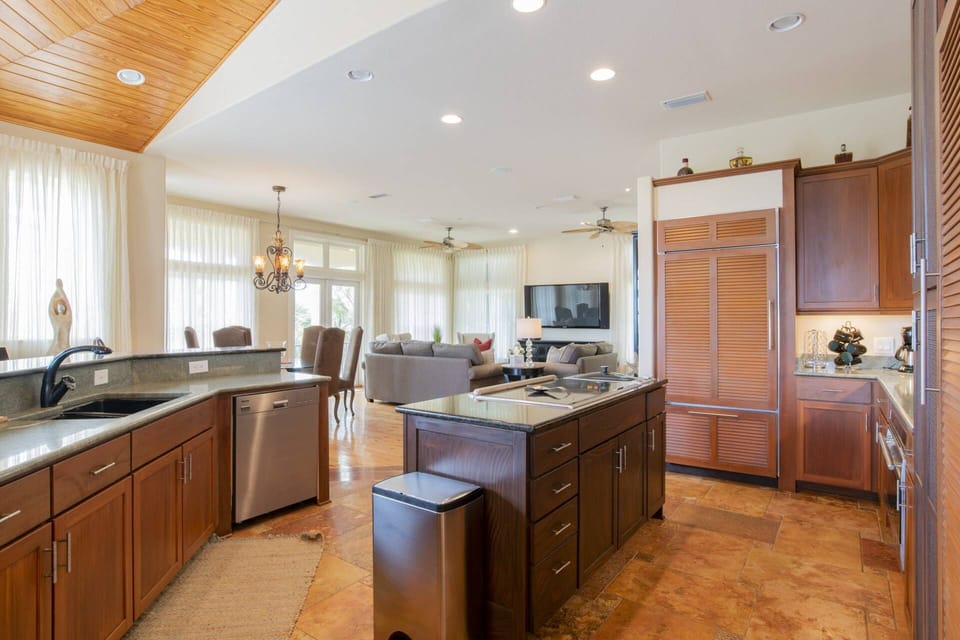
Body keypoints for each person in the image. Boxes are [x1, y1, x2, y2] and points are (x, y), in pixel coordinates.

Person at [47, 278, 72, 355]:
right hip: (56, 349)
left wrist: (60, 289)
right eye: (59, 306)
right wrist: (58, 289)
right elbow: (50, 309)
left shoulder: (68, 318)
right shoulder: (55, 318)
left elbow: (67, 304)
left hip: (66, 349)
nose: (61, 307)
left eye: (62, 306)